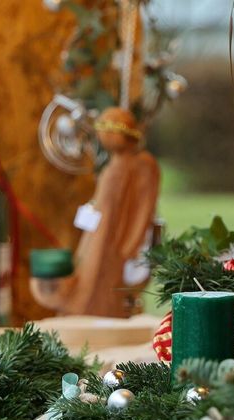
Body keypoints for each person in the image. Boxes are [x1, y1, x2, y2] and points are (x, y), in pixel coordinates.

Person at [30, 107, 160, 317]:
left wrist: (124, 242)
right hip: (98, 236)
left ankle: (92, 308)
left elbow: (130, 211)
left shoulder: (128, 168)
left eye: (104, 130)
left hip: (106, 239)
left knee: (96, 277)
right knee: (89, 272)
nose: (100, 136)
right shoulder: (117, 167)